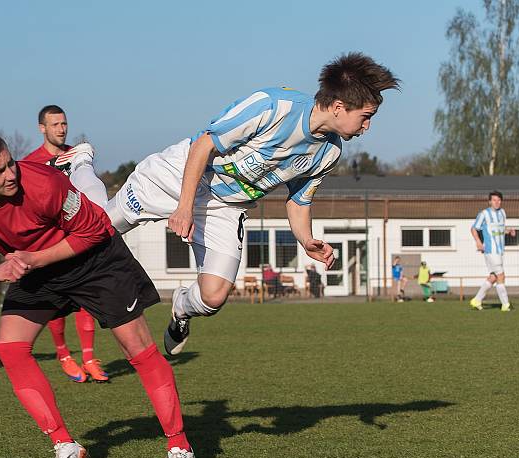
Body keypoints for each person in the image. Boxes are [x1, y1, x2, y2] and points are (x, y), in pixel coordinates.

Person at [0, 128, 193, 458]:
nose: (11, 174)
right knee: (10, 348)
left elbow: (95, 230)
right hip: (35, 268)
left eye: (11, 163)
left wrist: (35, 260)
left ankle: (179, 447)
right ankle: (64, 444)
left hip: (94, 259)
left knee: (138, 349)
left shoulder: (43, 182)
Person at [104, 52, 399, 355]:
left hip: (227, 206)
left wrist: (306, 240)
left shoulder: (329, 153)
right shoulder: (273, 106)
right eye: (366, 117)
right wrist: (184, 206)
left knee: (213, 297)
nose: (367, 128)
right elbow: (204, 143)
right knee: (96, 230)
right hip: (180, 175)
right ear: (339, 107)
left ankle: (181, 308)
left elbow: (298, 202)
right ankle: (80, 169)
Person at [22, 105, 108, 383]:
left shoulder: (78, 156)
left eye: (64, 123)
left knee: (85, 301)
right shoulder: (30, 162)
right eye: (55, 124)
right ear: (42, 128)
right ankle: (64, 356)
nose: (61, 128)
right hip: (50, 242)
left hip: (79, 238)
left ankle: (89, 358)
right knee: (57, 303)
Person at [470, 190, 514, 311]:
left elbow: (499, 229)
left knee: (493, 277)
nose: (497, 202)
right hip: (490, 250)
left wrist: (508, 231)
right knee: (501, 275)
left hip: (500, 251)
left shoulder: (503, 213)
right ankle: (506, 304)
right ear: (489, 201)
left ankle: (477, 300)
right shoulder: (484, 214)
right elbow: (474, 229)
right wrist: (478, 242)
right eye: (494, 200)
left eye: (499, 200)